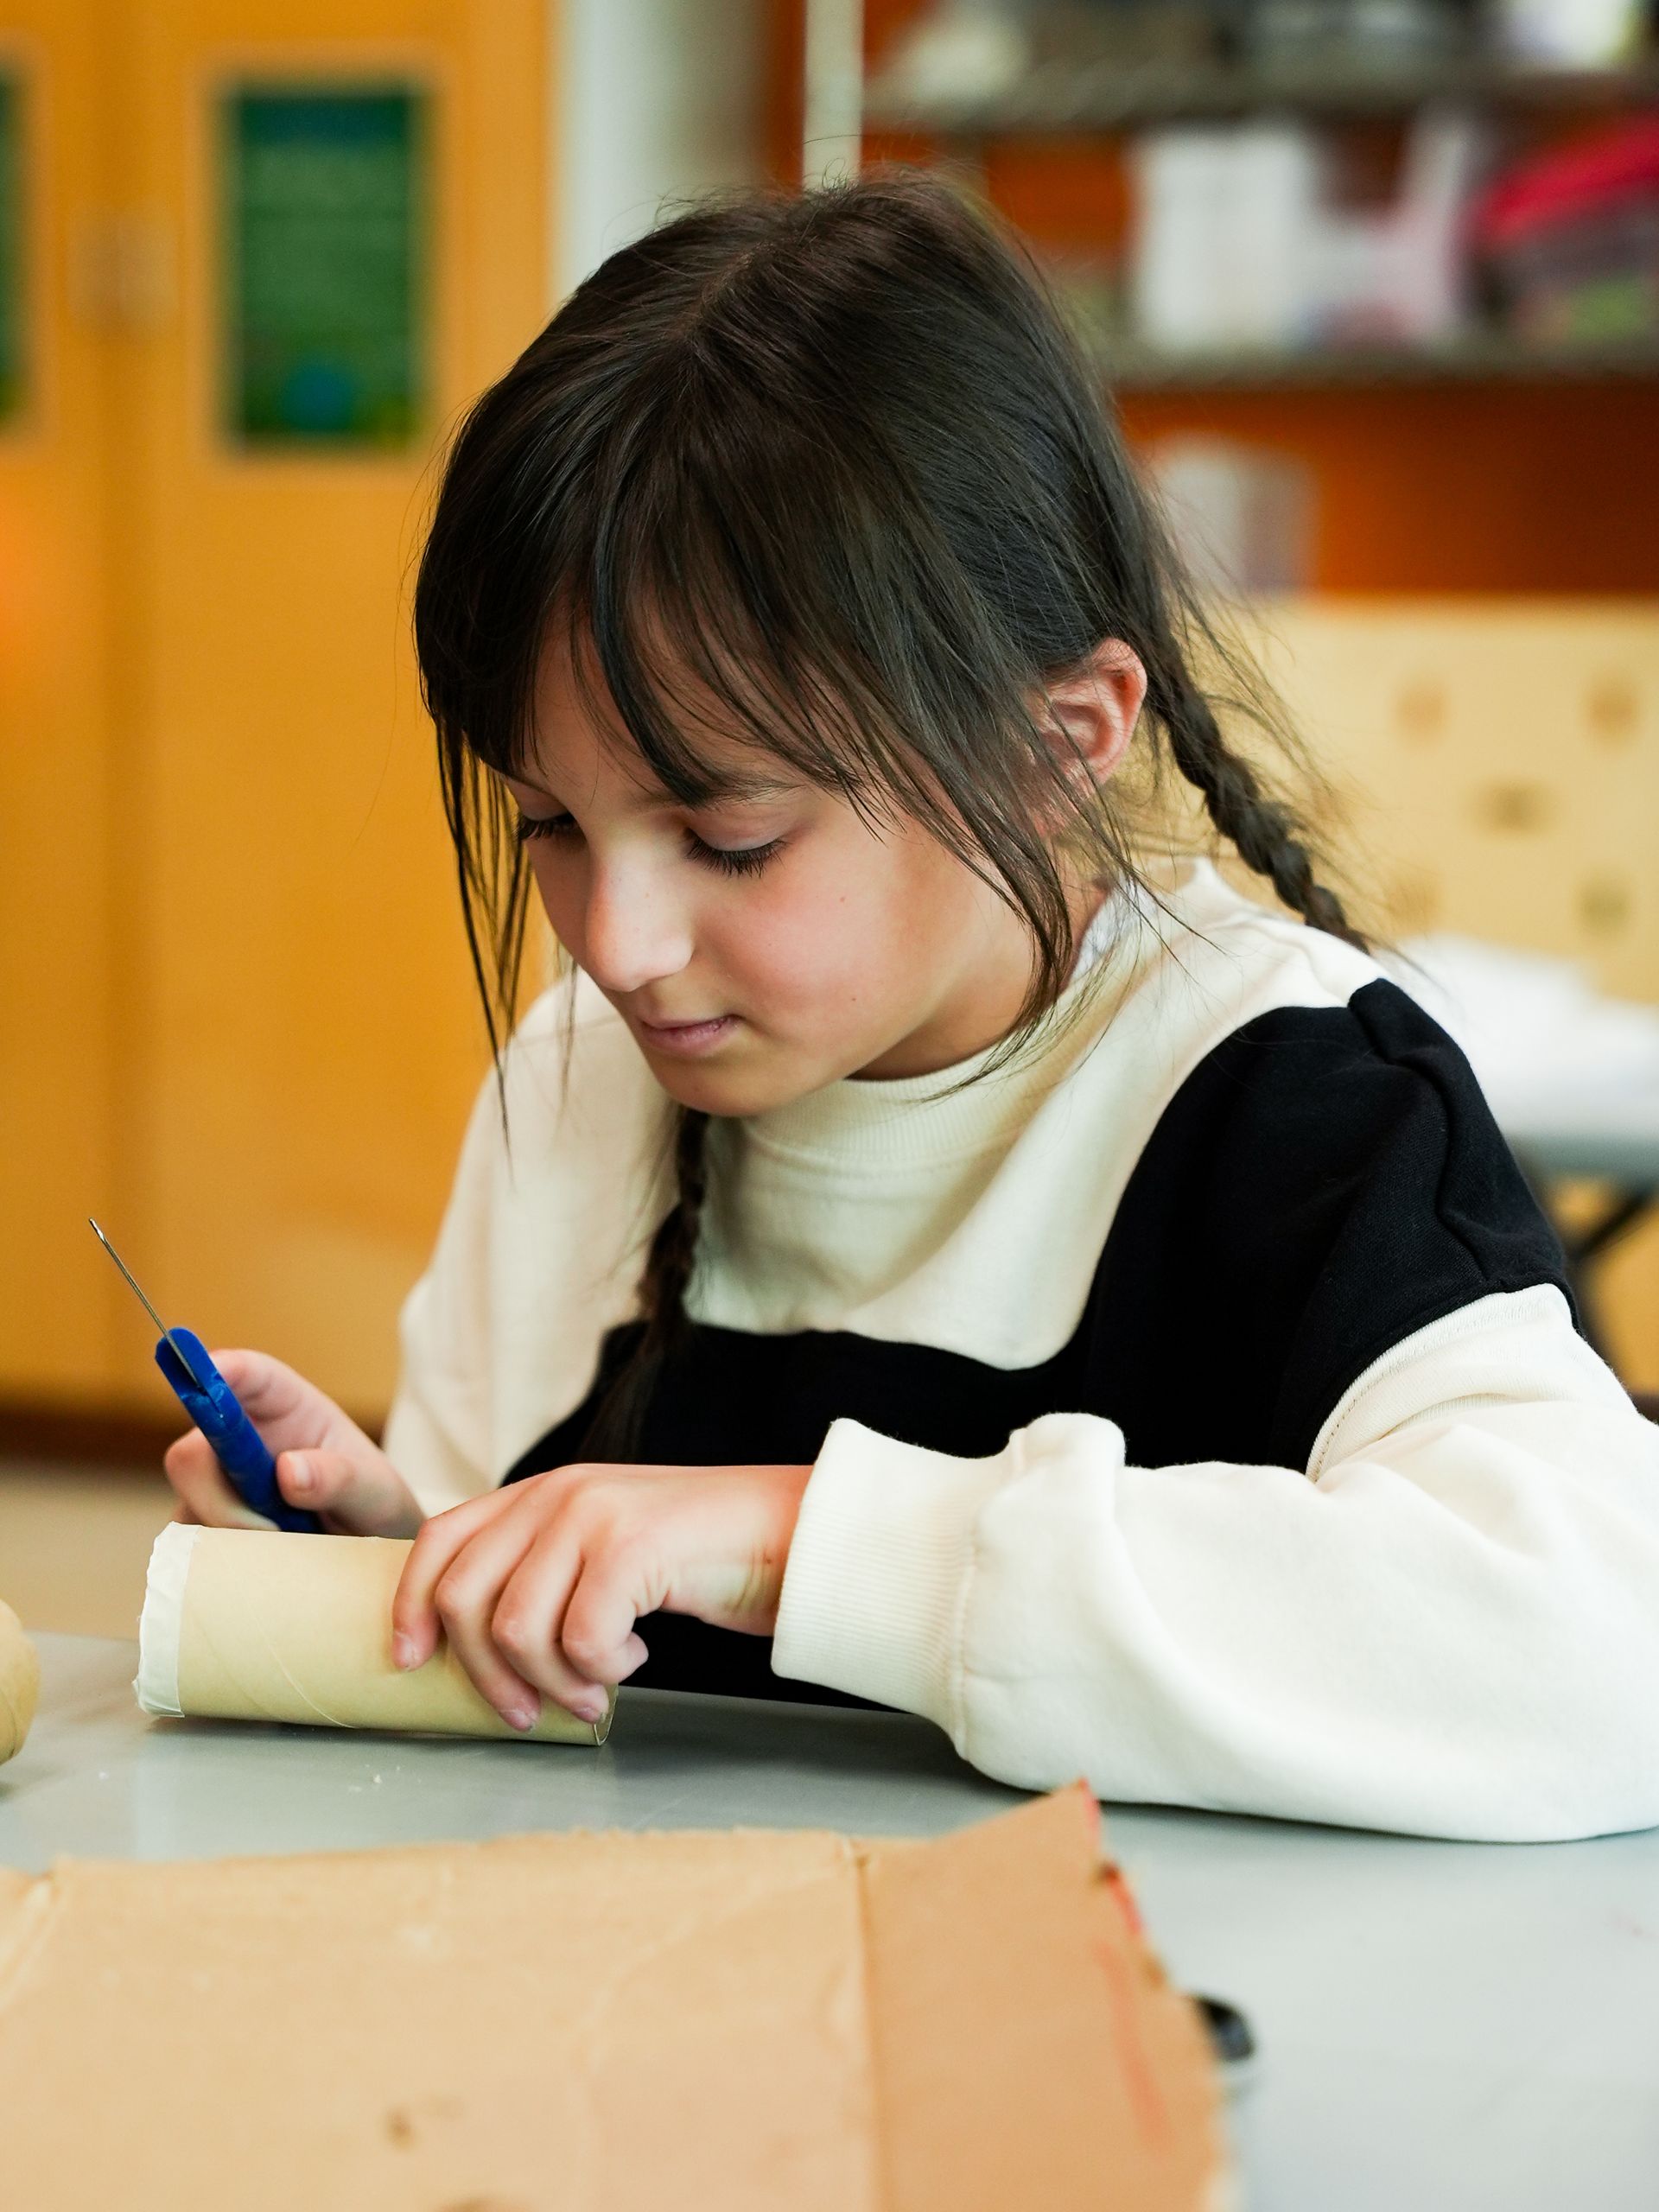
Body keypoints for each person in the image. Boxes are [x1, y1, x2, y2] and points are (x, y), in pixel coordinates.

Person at [163, 175, 1659, 1842]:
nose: (623, 942)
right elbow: (543, 1692)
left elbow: (1599, 1652)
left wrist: (802, 1541)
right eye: (553, 826)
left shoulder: (1290, 1098)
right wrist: (397, 1556)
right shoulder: (585, 1082)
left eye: (730, 838)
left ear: (1057, 747)